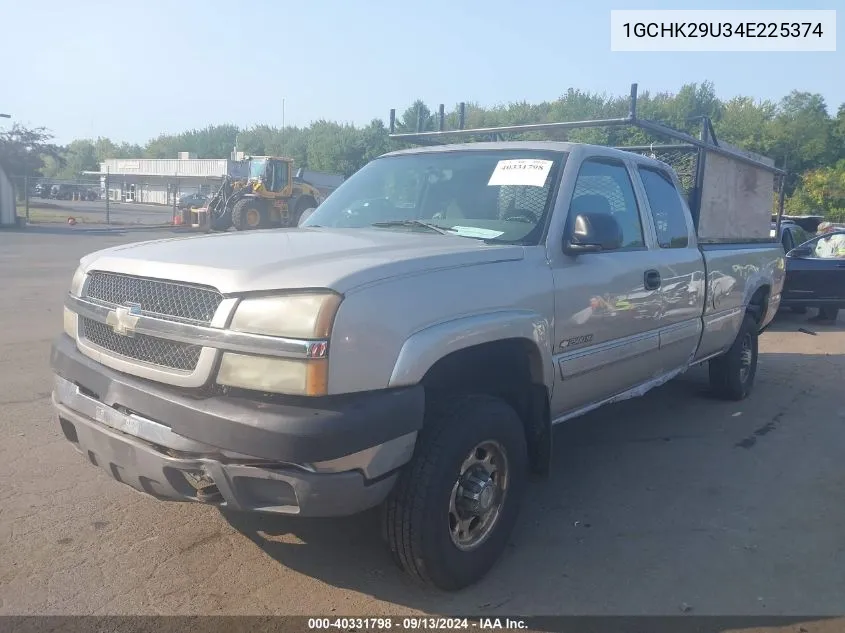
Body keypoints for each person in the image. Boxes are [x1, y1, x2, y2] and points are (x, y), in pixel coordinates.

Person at [808, 222, 845, 324]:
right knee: (822, 293)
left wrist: (831, 260)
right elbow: (817, 254)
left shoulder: (840, 239)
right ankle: (822, 315)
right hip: (821, 269)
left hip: (835, 269)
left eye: (823, 232)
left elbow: (842, 254)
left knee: (832, 294)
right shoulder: (821, 240)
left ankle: (830, 317)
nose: (821, 234)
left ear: (830, 230)